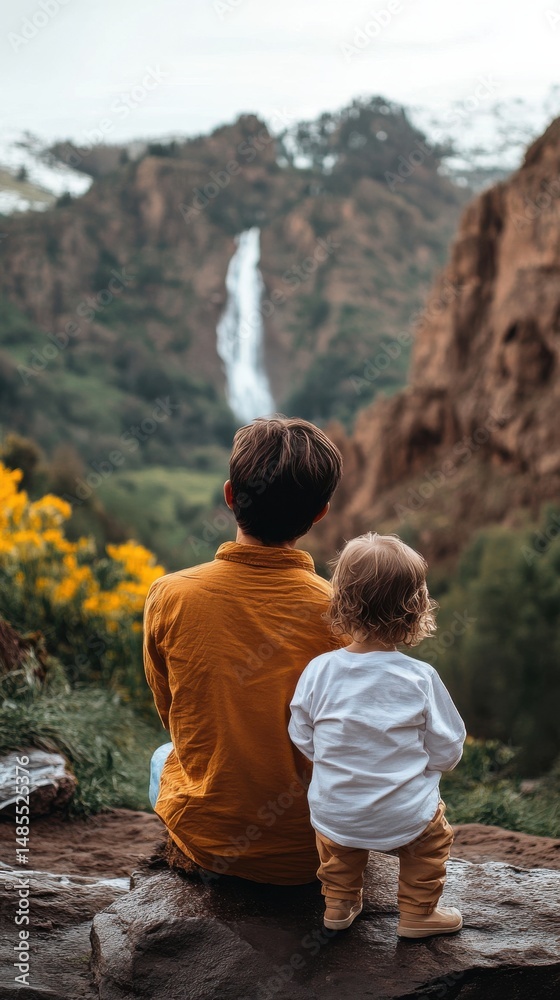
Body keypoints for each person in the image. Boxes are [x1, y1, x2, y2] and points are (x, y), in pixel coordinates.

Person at [143, 416, 343, 884]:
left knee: (161, 756)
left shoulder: (170, 595)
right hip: (316, 853)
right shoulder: (342, 613)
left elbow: (172, 712)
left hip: (213, 845)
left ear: (231, 494)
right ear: (320, 514)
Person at [289, 532, 466, 937]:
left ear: (340, 603)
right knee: (432, 841)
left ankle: (338, 904)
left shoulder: (320, 670)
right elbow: (448, 747)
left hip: (336, 812)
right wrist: (428, 769)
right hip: (405, 815)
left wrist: (334, 756)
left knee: (337, 849)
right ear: (414, 612)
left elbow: (302, 732)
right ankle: (418, 914)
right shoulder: (420, 677)